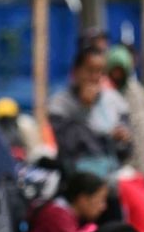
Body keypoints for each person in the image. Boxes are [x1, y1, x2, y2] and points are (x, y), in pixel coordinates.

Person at [49, 47, 132, 179]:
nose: (95, 77)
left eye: (100, 71)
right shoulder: (60, 104)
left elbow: (125, 151)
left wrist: (121, 139)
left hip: (110, 177)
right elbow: (69, 145)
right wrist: (84, 108)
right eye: (90, 70)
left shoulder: (115, 101)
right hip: (77, 181)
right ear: (76, 72)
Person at [106, 45, 144, 179]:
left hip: (135, 161)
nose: (117, 75)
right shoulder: (106, 91)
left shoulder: (134, 93)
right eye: (114, 70)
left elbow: (140, 130)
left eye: (120, 71)